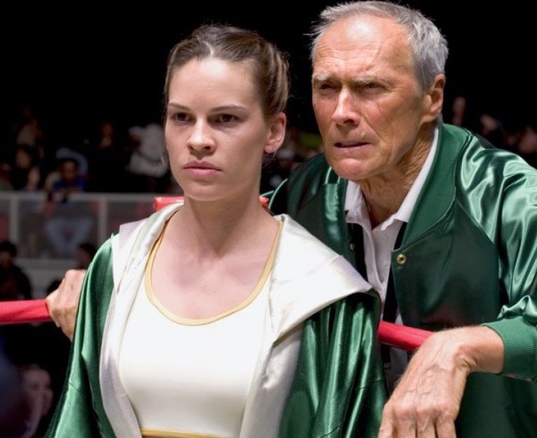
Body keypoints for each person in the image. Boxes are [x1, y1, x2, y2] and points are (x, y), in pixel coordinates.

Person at [47, 2, 537, 436]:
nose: (341, 112)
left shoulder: (505, 195)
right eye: (326, 87)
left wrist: (465, 347)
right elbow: (221, 244)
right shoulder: (307, 194)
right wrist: (116, 286)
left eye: (369, 88)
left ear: (432, 98)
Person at [45, 24, 386, 438]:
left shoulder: (323, 290)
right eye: (182, 117)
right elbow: (79, 422)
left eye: (225, 119)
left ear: (274, 131)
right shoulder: (117, 264)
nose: (199, 139)